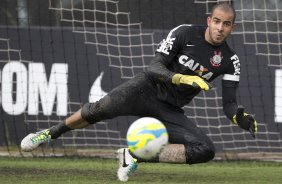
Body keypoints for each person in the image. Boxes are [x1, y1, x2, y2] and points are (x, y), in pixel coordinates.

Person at [21, 2, 258, 182]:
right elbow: (154, 67)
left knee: (205, 150)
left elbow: (229, 104)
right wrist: (180, 77)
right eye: (217, 21)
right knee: (100, 109)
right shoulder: (184, 33)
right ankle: (50, 134)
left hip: (170, 108)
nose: (220, 28)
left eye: (226, 24)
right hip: (145, 88)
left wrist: (240, 117)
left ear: (232, 28)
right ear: (209, 20)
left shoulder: (230, 60)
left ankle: (133, 155)